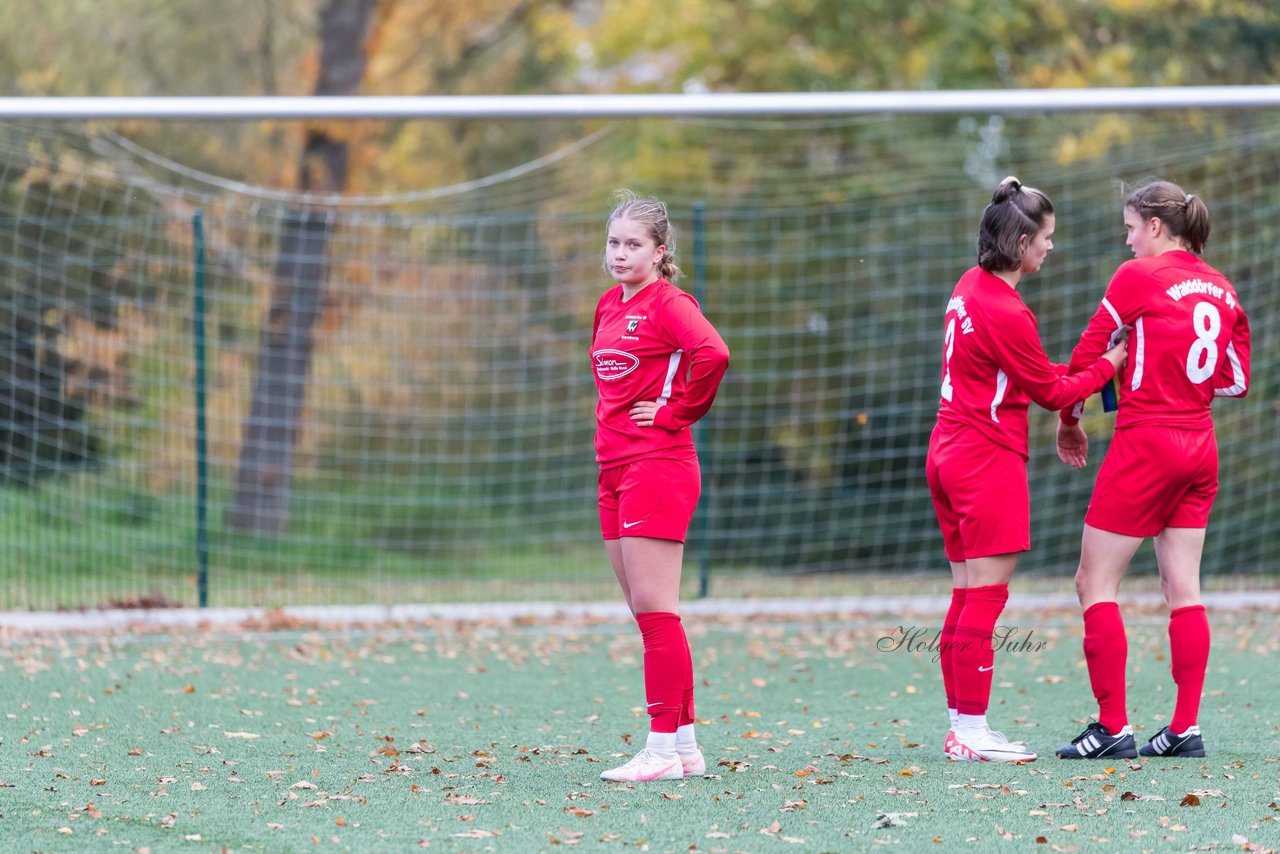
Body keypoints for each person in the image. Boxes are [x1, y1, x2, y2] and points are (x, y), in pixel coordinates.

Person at [926, 176, 1128, 763]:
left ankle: (963, 725)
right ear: (1019, 242)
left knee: (966, 595)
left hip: (948, 449)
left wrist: (1085, 369)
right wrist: (1111, 364)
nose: (1050, 247)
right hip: (984, 458)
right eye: (1046, 237)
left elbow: (1030, 371)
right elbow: (1048, 390)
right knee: (984, 599)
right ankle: (970, 730)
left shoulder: (970, 286)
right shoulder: (1006, 309)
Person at [1054, 181, 1250, 760]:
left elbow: (1091, 352)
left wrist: (1071, 415)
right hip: (1200, 444)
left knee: (1094, 583)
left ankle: (1113, 728)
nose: (1128, 238)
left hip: (1147, 443)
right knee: (1182, 586)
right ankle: (1184, 728)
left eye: (1132, 228)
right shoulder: (1220, 286)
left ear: (1157, 228)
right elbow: (1235, 380)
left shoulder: (1136, 276)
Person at [590, 190, 730, 782]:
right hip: (614, 468)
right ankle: (686, 745)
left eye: (633, 244)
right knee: (646, 611)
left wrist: (675, 413)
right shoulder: (606, 305)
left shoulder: (670, 304)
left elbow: (714, 354)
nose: (620, 254)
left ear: (659, 251)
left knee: (655, 611)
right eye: (614, 243)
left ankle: (659, 750)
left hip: (660, 463)